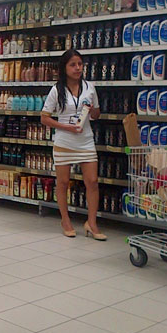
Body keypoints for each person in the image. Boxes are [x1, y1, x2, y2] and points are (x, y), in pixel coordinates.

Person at [41, 49, 107, 240]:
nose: (78, 68)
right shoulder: (57, 90)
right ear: (64, 68)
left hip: (86, 140)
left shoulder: (89, 87)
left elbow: (97, 115)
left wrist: (92, 111)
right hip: (64, 141)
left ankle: (91, 223)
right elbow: (44, 118)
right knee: (62, 183)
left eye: (80, 64)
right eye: (73, 65)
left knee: (92, 181)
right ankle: (65, 220)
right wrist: (66, 127)